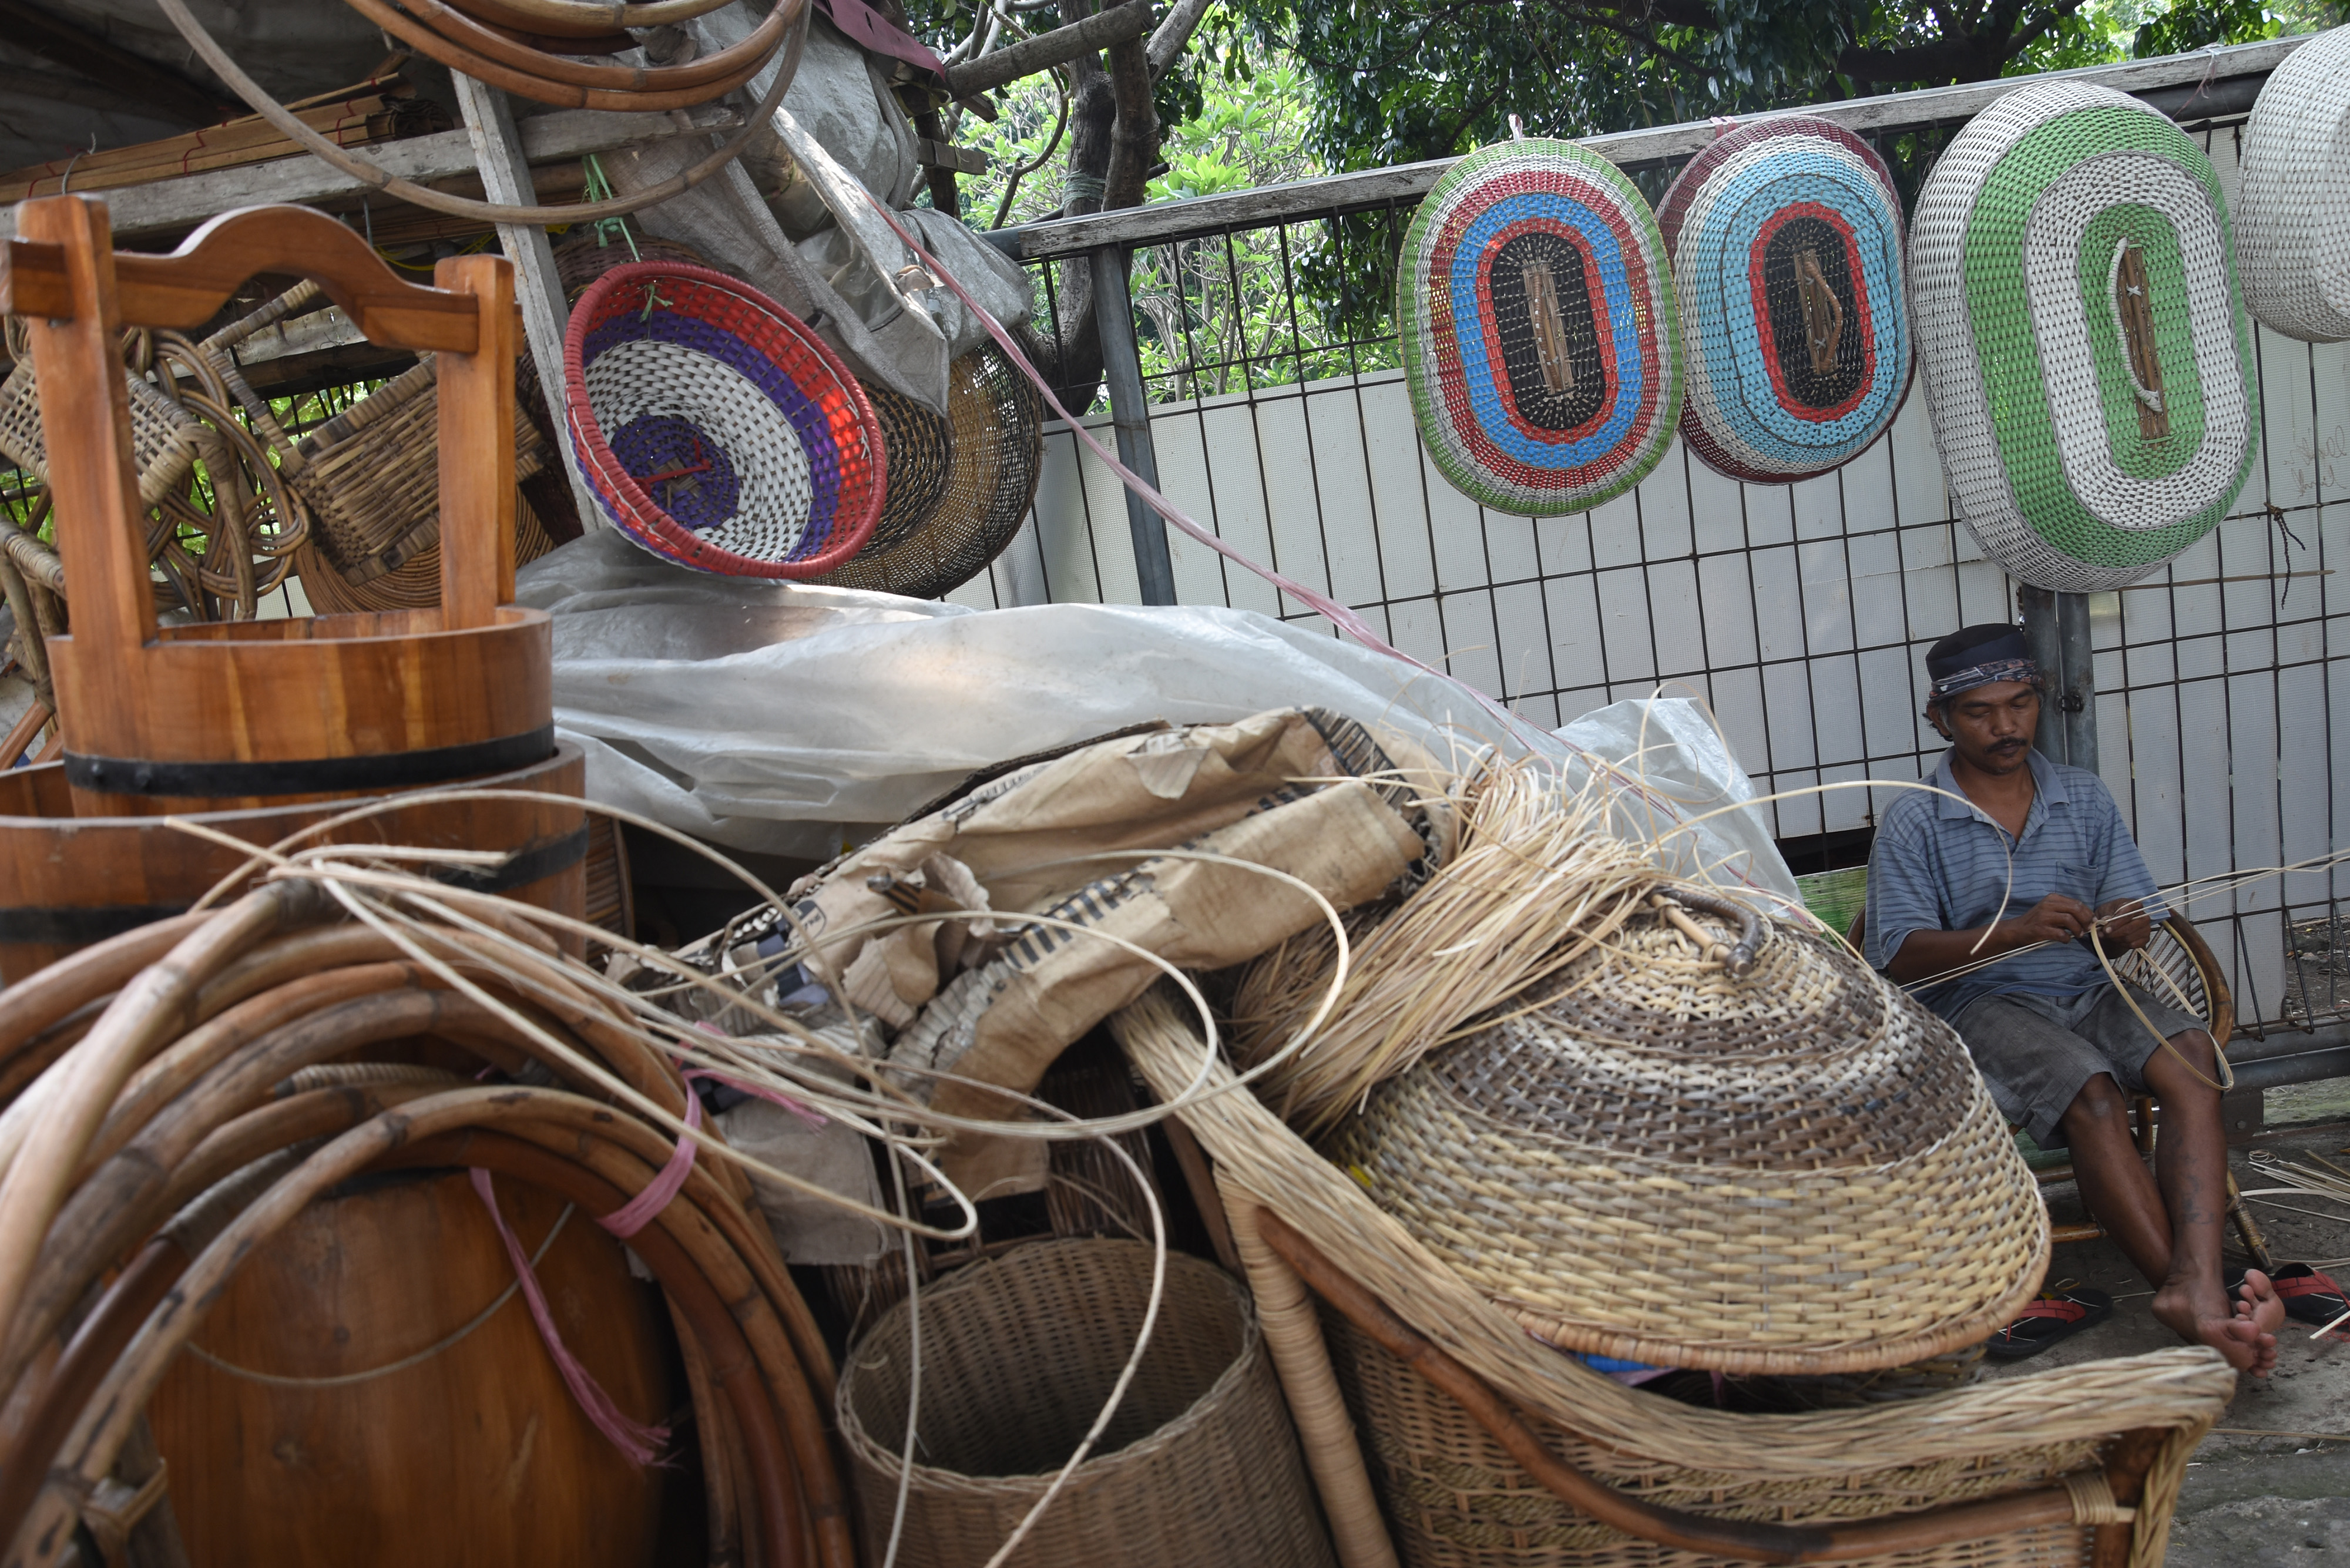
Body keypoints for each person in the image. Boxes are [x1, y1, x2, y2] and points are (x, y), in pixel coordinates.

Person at [1864, 623, 2285, 1375]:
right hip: (1980, 1004)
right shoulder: (1915, 817)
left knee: (2192, 1060)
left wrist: (2126, 926)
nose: (2004, 726)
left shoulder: (2083, 797)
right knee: (2086, 1087)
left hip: (2093, 984)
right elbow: (1894, 955)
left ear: (2036, 703)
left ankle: (2194, 1282)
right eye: (1979, 711)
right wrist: (2013, 932)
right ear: (1940, 719)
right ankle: (2195, 1297)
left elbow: (2137, 911)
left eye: (2019, 703)